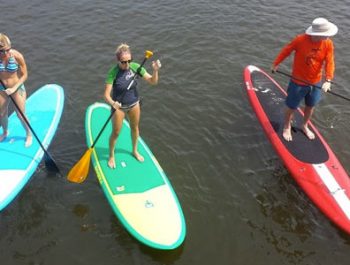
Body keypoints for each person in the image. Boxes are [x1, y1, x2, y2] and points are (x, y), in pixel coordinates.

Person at [271, 18, 338, 141]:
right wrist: (276, 64)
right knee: (291, 106)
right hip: (298, 81)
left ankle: (304, 125)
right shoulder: (300, 40)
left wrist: (328, 80)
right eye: (325, 34)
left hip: (316, 82)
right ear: (317, 34)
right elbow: (287, 50)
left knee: (310, 106)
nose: (328, 36)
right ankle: (287, 126)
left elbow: (330, 62)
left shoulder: (328, 44)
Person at [104, 43, 161, 169]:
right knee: (116, 132)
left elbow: (153, 81)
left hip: (134, 104)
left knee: (135, 128)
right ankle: (111, 156)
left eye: (130, 60)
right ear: (118, 60)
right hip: (119, 107)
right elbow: (106, 95)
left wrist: (155, 70)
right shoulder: (113, 72)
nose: (127, 64)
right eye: (124, 62)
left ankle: (135, 151)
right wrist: (113, 103)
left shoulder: (136, 67)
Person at [0, 33, 32, 146]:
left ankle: (29, 134)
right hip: (2, 90)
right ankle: (5, 132)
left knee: (20, 114)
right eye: (1, 51)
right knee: (1, 114)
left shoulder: (17, 56)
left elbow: (24, 75)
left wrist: (14, 88)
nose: (5, 53)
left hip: (17, 88)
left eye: (7, 50)